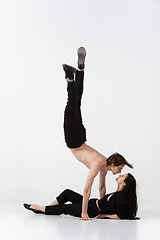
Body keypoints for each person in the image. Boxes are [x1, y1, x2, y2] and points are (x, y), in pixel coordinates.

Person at [61, 47, 133, 221]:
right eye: (120, 169)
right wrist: (85, 212)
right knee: (72, 104)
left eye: (121, 170)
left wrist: (103, 206)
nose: (119, 172)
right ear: (114, 164)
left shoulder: (104, 167)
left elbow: (101, 189)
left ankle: (80, 70)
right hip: (74, 140)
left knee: (76, 103)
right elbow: (87, 189)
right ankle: (71, 77)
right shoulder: (98, 164)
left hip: (80, 136)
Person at [23, 173, 138, 220]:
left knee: (65, 208)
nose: (119, 175)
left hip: (91, 210)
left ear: (124, 183)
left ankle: (39, 208)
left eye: (122, 176)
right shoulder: (118, 193)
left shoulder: (121, 197)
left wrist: (104, 215)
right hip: (91, 203)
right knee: (67, 193)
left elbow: (121, 215)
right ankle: (47, 208)